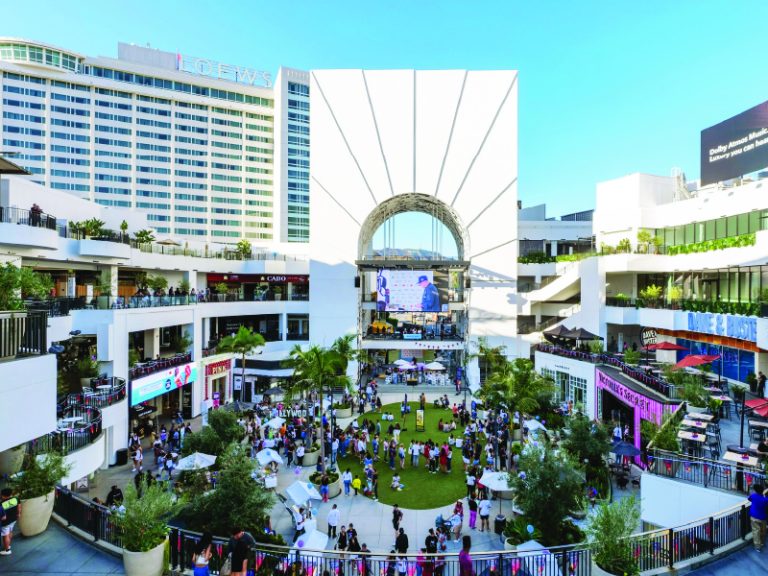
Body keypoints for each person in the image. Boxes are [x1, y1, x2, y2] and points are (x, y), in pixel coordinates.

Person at [748, 484, 768, 551]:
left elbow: (749, 498)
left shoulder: (753, 496)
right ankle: (762, 542)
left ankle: (757, 546)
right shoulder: (765, 499)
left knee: (756, 531)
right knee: (763, 531)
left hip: (754, 516)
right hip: (763, 517)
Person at [0, 488, 20, 555]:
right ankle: (8, 545)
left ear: (2, 495)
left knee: (5, 535)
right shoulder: (16, 499)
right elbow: (19, 507)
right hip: (14, 519)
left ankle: (7, 550)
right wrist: (18, 514)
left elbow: (2, 516)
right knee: (10, 531)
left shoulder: (1, 504)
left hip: (5, 522)